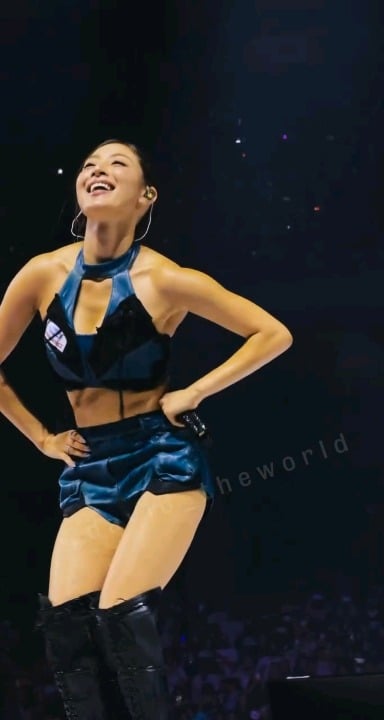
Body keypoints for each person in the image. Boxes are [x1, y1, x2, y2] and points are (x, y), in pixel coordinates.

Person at [0, 138, 293, 719]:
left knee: (119, 615)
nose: (97, 170)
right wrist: (40, 437)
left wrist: (194, 392)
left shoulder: (165, 278)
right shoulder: (41, 273)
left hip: (161, 456)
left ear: (145, 195)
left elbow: (272, 334)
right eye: (89, 164)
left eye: (117, 164)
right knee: (67, 628)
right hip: (91, 463)